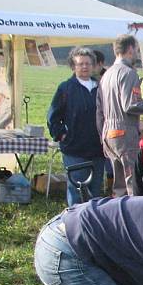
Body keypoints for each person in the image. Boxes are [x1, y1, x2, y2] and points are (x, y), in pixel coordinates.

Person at [97, 34, 143, 197]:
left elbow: (99, 110)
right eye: (137, 50)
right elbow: (130, 105)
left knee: (118, 184)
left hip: (108, 133)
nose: (137, 54)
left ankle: (117, 217)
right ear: (130, 49)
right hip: (125, 132)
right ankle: (134, 218)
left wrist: (102, 133)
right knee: (133, 181)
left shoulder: (106, 75)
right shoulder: (128, 73)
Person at [46, 47, 106, 206]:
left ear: (93, 66)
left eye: (87, 64)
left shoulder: (101, 87)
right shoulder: (66, 88)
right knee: (77, 188)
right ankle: (75, 221)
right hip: (74, 148)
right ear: (73, 67)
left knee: (95, 190)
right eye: (80, 64)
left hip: (97, 149)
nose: (84, 67)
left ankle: (93, 224)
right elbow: (53, 115)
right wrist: (61, 135)